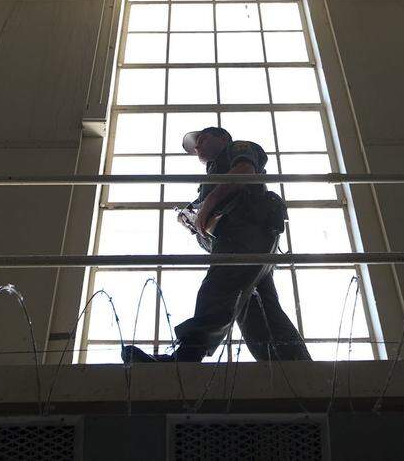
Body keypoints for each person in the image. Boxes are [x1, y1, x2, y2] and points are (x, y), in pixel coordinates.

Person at [121, 126, 311, 363]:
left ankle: (188, 354)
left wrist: (208, 204)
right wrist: (198, 217)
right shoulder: (212, 176)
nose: (197, 147)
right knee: (256, 308)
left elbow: (245, 170)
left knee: (219, 288)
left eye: (201, 139)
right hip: (242, 237)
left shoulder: (237, 148)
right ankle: (293, 366)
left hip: (247, 232)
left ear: (222, 137)